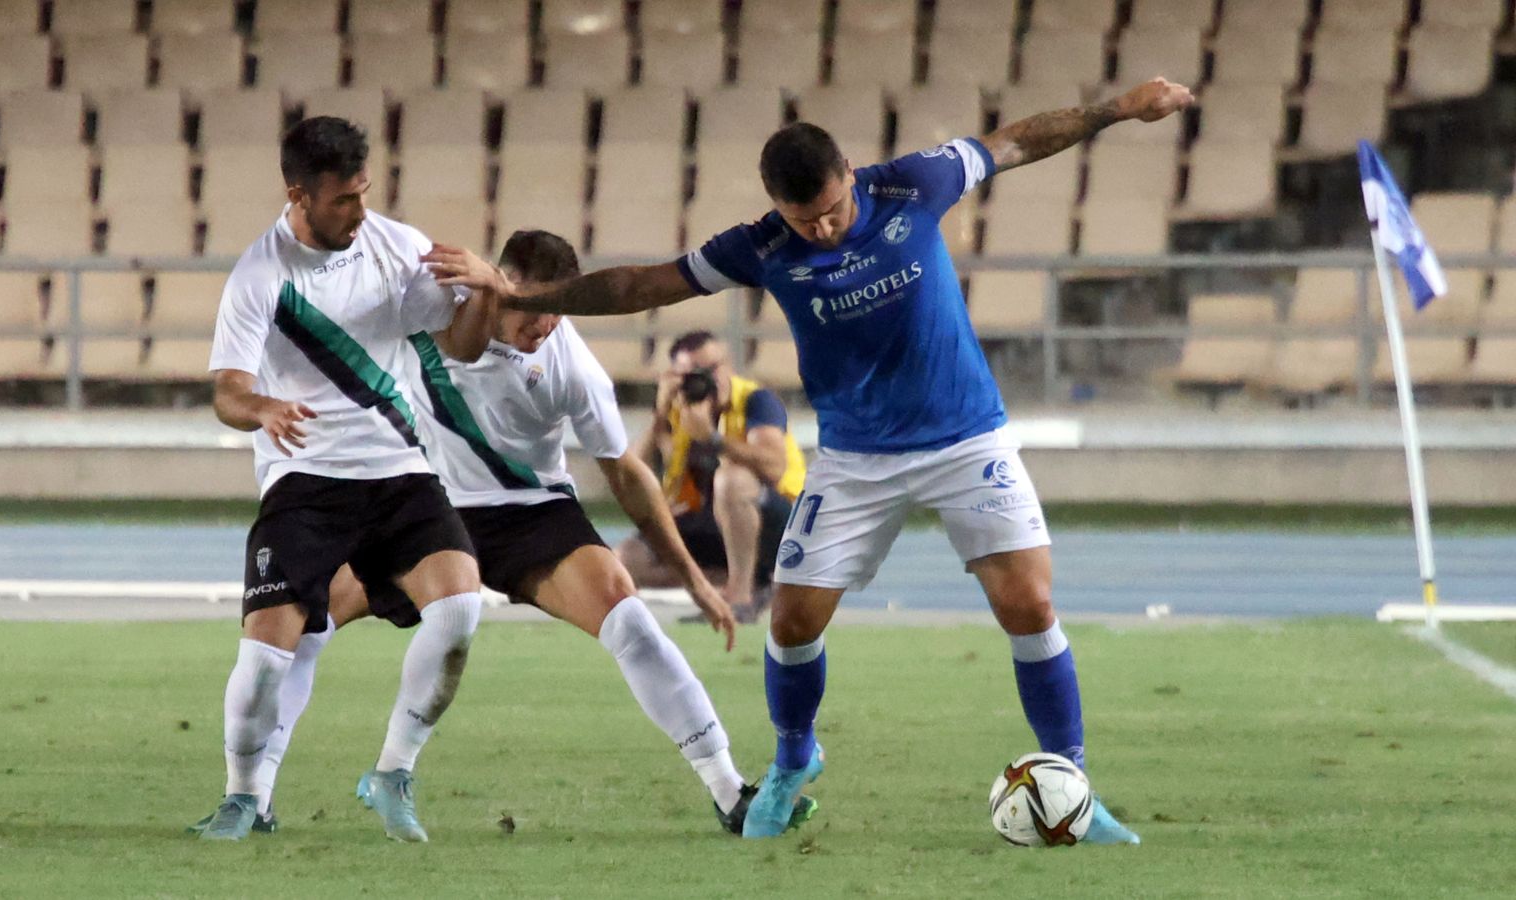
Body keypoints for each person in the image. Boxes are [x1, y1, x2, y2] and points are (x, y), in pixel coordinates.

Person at [435, 77, 1195, 842]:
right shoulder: (762, 245)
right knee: (792, 620)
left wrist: (1116, 109)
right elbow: (642, 284)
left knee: (1028, 605)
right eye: (806, 219)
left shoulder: (913, 185)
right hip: (856, 458)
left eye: (833, 209)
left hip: (965, 438)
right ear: (779, 206)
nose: (824, 229)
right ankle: (795, 758)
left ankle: (1073, 785)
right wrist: (520, 297)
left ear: (849, 176)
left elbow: (1018, 142)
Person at [246, 230, 817, 836]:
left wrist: (696, 581)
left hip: (529, 511)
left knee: (629, 618)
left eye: (559, 308)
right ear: (498, 287)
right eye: (533, 305)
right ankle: (253, 797)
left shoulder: (573, 366)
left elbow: (625, 472)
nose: (545, 324)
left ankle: (730, 792)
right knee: (305, 620)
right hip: (423, 504)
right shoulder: (428, 311)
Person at [193, 116, 498, 842]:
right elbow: (227, 391)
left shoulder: (396, 245)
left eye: (364, 193)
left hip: (398, 469)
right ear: (298, 195)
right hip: (305, 478)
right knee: (266, 660)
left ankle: (393, 771)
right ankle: (244, 798)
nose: (360, 211)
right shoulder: (260, 275)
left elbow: (461, 345)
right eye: (343, 200)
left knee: (460, 607)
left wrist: (486, 291)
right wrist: (263, 407)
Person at [616, 330, 807, 623]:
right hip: (710, 523)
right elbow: (628, 476)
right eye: (694, 374)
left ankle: (739, 600)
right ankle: (737, 584)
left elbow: (774, 467)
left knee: (732, 480)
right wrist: (659, 412)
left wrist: (712, 438)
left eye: (712, 369)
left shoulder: (756, 401)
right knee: (625, 561)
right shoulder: (679, 409)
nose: (707, 380)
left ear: (728, 366)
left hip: (775, 519)